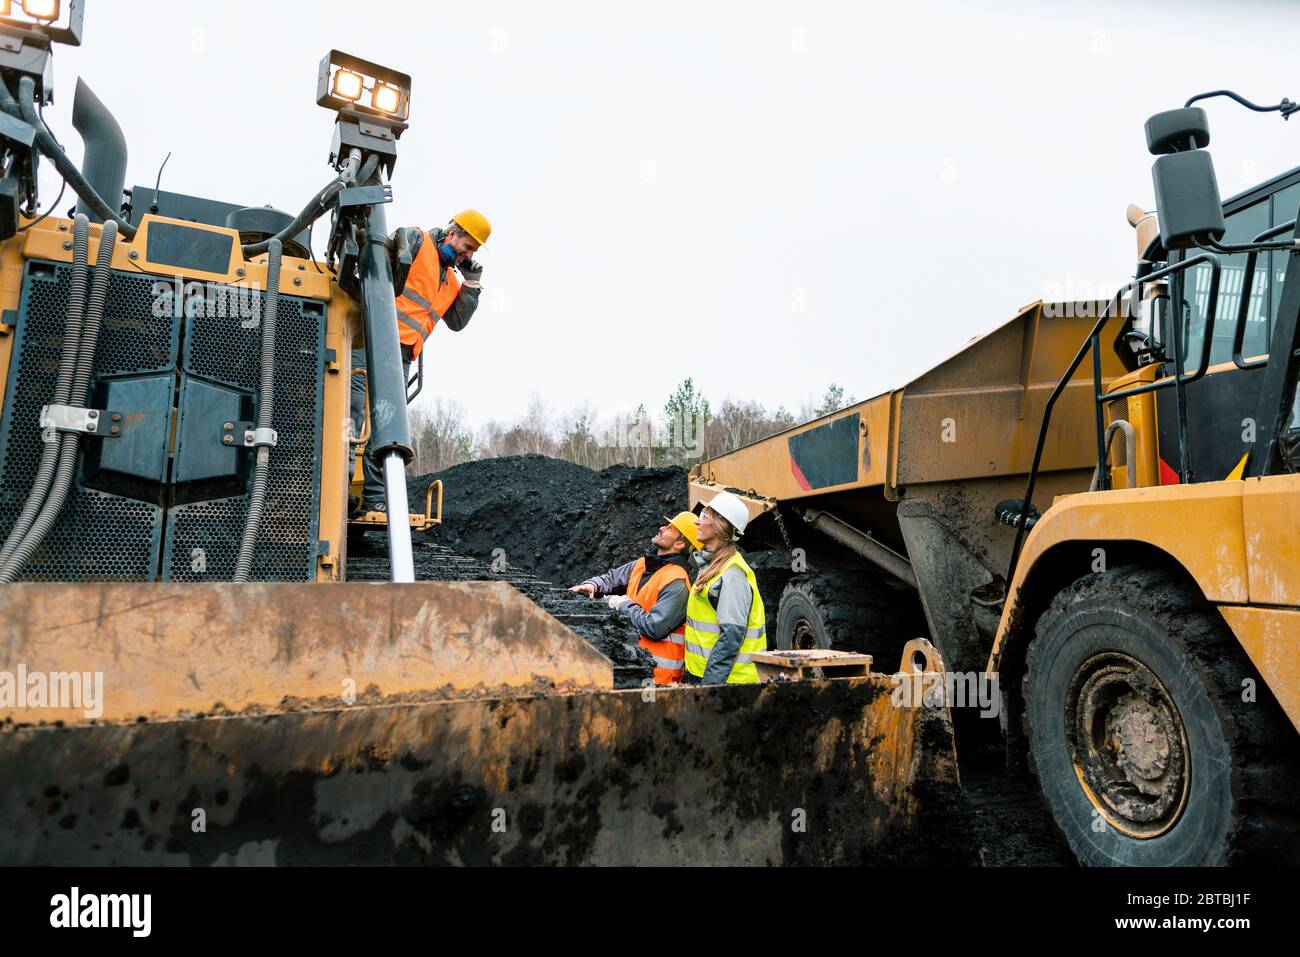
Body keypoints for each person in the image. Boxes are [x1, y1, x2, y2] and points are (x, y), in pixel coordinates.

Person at [349, 209, 492, 513]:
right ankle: (340, 487)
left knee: (388, 426)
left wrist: (472, 286)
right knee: (353, 410)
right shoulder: (416, 240)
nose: (465, 257)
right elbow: (374, 268)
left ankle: (375, 496)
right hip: (369, 339)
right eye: (466, 248)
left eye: (471, 254)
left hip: (401, 358)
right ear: (453, 234)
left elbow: (456, 322)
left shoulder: (453, 282)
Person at [569, 512, 702, 685]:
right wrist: (593, 585)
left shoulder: (677, 582)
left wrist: (624, 604)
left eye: (670, 528)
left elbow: (655, 627)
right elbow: (610, 579)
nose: (662, 528)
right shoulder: (643, 565)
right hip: (633, 665)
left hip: (657, 676)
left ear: (679, 544)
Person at [684, 491, 767, 685]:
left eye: (704, 516)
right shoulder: (712, 565)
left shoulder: (732, 575)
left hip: (729, 683)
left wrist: (711, 688)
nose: (697, 522)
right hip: (705, 674)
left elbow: (731, 637)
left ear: (720, 526)